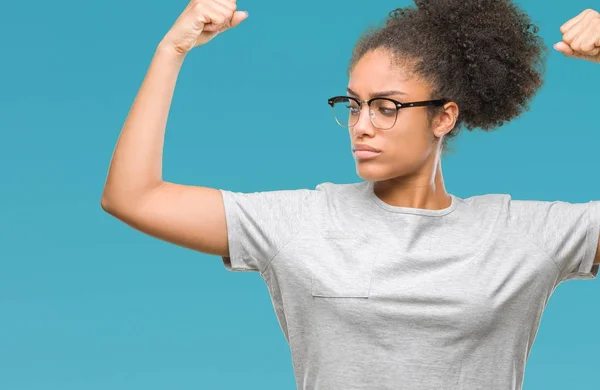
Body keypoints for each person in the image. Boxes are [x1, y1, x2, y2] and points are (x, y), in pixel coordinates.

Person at [100, 0, 600, 388]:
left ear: (443, 117)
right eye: (354, 105)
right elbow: (133, 196)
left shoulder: (519, 233)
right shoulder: (300, 222)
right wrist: (173, 49)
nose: (361, 126)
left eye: (386, 107)